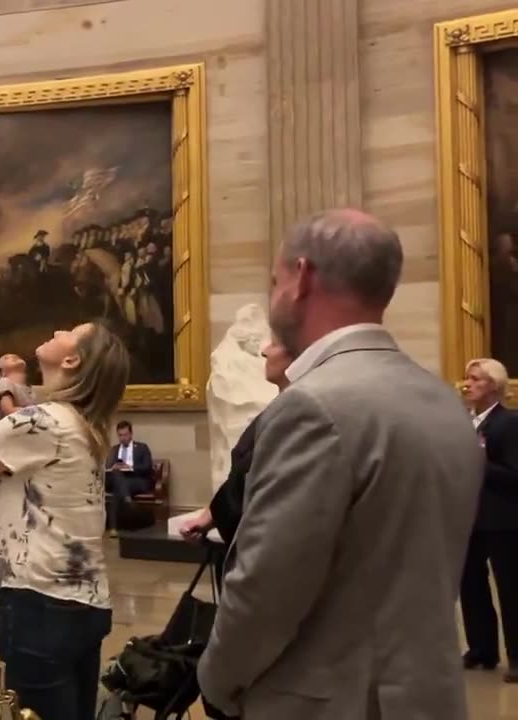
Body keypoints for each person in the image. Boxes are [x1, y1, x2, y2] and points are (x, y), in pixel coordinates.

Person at [197, 209, 483, 720]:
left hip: (332, 702)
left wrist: (216, 682)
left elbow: (266, 591)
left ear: (302, 278)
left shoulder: (314, 405)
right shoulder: (443, 400)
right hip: (428, 696)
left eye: (274, 280)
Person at [0, 322, 128, 720]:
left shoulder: (38, 420)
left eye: (70, 332)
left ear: (72, 359)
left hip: (38, 598)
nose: (58, 330)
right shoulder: (88, 423)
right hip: (85, 598)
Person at [178, 338, 294, 547]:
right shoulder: (279, 409)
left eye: (275, 344)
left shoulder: (297, 413)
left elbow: (256, 476)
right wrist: (210, 516)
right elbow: (241, 477)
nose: (264, 352)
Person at [459, 357, 518, 681]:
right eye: (467, 378)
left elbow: (514, 474)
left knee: (510, 589)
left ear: (493, 386)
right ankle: (482, 649)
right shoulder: (466, 422)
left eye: (476, 379)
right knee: (470, 584)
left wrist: (478, 461)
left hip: (504, 519)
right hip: (469, 517)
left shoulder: (508, 423)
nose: (467, 384)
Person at [104, 420, 154, 533]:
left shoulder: (142, 447)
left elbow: (147, 467)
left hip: (136, 480)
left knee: (118, 489)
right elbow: (108, 467)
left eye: (125, 435)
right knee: (117, 475)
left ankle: (113, 528)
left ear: (131, 434)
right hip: (119, 479)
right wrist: (115, 466)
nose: (123, 438)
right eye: (120, 435)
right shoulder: (114, 449)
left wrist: (129, 467)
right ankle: (127, 500)